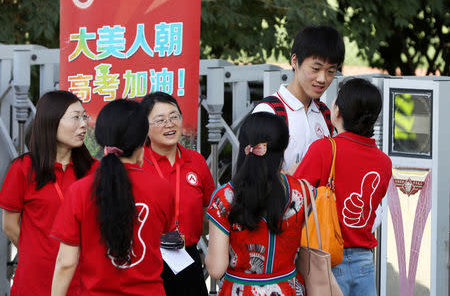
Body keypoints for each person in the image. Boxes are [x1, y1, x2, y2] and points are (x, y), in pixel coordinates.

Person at [50, 99, 174, 296]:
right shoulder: (163, 189)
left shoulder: (79, 191)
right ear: (143, 140)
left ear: (101, 138)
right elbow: (163, 233)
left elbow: (66, 263)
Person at [294, 78, 392, 296]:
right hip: (365, 260)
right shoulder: (384, 162)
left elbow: (295, 198)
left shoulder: (323, 149)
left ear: (337, 111)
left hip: (326, 258)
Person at [206, 112, 315, 296]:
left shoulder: (224, 198)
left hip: (240, 290)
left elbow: (216, 269)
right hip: (287, 288)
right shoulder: (304, 192)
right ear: (284, 146)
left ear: (242, 146)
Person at [0, 90, 96, 296]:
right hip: (35, 280)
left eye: (84, 116)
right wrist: (39, 251)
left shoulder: (95, 170)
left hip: (82, 280)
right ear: (51, 121)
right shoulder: (22, 169)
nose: (83, 124)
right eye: (75, 117)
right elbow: (9, 225)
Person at [140, 91, 215, 296]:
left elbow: (210, 208)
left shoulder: (196, 161)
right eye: (160, 120)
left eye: (174, 117)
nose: (170, 124)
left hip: (186, 256)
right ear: (144, 128)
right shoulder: (137, 163)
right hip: (146, 260)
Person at [253, 25, 345, 172]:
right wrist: (292, 178)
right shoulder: (268, 112)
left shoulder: (326, 116)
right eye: (315, 69)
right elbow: (255, 174)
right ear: (294, 61)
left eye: (330, 71)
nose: (322, 79)